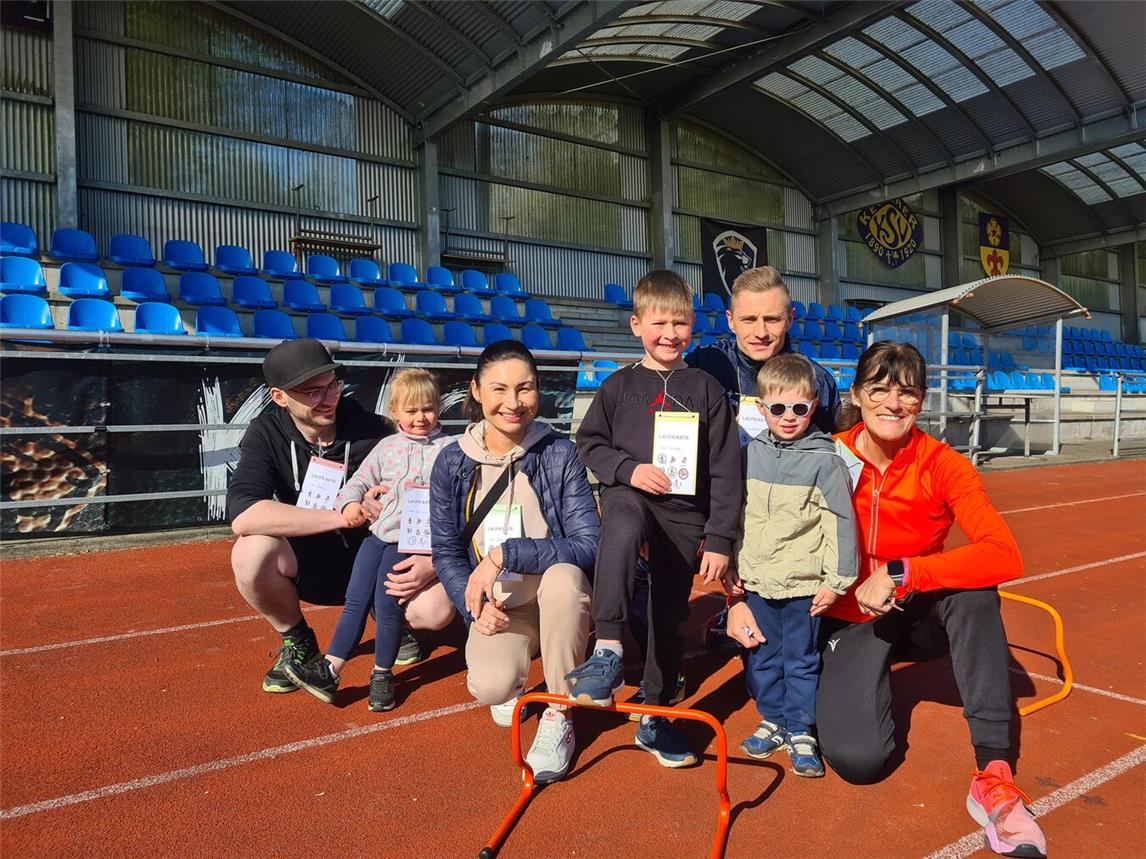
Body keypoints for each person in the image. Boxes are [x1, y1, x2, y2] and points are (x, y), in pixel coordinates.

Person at [725, 341, 1047, 858]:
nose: (893, 405)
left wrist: (903, 572)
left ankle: (994, 777)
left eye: (908, 394)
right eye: (879, 390)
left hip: (915, 610)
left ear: (921, 401)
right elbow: (753, 524)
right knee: (859, 761)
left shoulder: (944, 465)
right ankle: (858, 678)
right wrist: (733, 595)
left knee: (975, 594)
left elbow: (1004, 554)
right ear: (857, 394)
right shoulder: (825, 453)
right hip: (846, 619)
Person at [568, 270, 742, 768]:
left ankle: (655, 712)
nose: (670, 333)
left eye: (681, 323)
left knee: (668, 615)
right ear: (636, 324)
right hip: (635, 500)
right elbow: (589, 444)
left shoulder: (706, 389)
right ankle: (607, 648)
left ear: (694, 326)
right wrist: (629, 470)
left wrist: (719, 538)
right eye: (659, 322)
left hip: (685, 519)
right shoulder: (618, 386)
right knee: (619, 515)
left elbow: (726, 469)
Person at [228, 340, 454, 694]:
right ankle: (298, 640)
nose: (329, 398)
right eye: (312, 392)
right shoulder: (265, 432)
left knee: (436, 610)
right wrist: (344, 513)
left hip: (376, 560)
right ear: (279, 397)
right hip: (305, 564)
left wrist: (433, 559)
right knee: (249, 551)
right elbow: (244, 514)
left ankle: (389, 615)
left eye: (332, 385)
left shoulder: (376, 430)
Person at [430, 340, 597, 785]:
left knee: (563, 581)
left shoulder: (559, 454)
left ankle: (561, 711)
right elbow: (446, 550)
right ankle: (523, 665)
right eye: (499, 389)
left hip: (555, 593)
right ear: (476, 391)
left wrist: (508, 552)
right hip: (504, 605)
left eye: (525, 389)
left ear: (538, 392)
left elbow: (587, 543)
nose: (512, 403)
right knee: (491, 687)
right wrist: (473, 607)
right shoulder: (450, 461)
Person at [283, 369, 455, 711]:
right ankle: (331, 669)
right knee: (355, 600)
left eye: (428, 408)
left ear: (438, 408)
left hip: (408, 544)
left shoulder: (451, 450)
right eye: (411, 410)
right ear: (395, 412)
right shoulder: (386, 448)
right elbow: (356, 483)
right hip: (376, 538)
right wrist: (351, 504)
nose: (421, 417)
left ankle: (382, 674)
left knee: (388, 606)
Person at [729, 353, 857, 778]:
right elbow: (737, 513)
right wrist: (733, 567)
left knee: (800, 659)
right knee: (763, 656)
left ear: (814, 405)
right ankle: (774, 719)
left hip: (804, 584)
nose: (788, 417)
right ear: (761, 407)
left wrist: (838, 582)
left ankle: (801, 728)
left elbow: (840, 522)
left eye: (799, 408)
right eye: (778, 408)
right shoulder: (749, 454)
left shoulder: (824, 460)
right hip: (758, 581)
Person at [687, 266, 839, 442]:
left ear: (790, 318)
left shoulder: (817, 382)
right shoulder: (703, 366)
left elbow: (829, 453)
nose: (761, 332)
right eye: (749, 319)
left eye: (772, 319)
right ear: (730, 320)